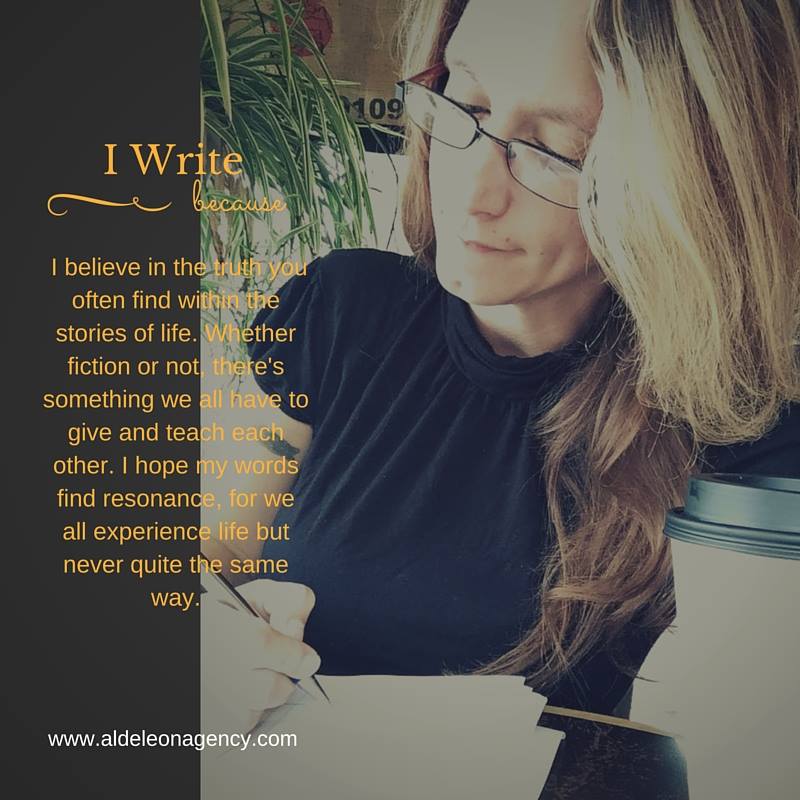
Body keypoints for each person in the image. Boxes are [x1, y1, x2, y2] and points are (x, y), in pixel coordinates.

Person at [201, 0, 800, 735]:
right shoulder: (339, 310)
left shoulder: (740, 423)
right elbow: (216, 546)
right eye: (469, 104)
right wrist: (215, 633)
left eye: (550, 149)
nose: (473, 193)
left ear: (685, 181)